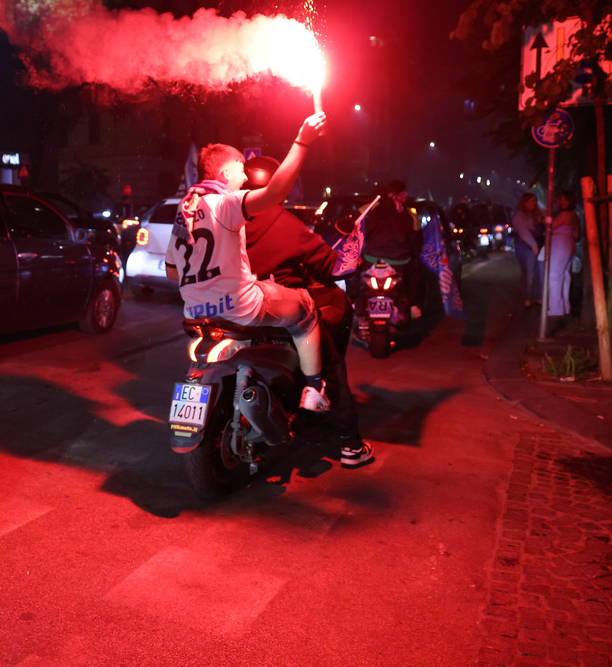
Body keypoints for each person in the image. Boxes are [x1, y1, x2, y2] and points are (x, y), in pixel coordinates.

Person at [165, 114, 374, 467]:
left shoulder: (187, 208)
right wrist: (304, 140)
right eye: (239, 171)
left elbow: (172, 271)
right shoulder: (232, 205)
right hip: (243, 307)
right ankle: (326, 408)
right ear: (227, 175)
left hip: (196, 313)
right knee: (314, 325)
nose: (244, 177)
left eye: (249, 174)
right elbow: (326, 261)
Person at [241, 156, 371, 463]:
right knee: (330, 366)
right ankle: (349, 444)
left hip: (230, 310)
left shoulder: (227, 220)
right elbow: (328, 266)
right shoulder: (286, 224)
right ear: (279, 188)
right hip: (279, 312)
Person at [359, 179, 423, 320]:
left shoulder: (372, 210)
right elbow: (416, 243)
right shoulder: (409, 215)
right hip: (400, 262)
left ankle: (354, 305)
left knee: (356, 277)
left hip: (371, 259)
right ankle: (413, 305)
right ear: (400, 194)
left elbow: (360, 231)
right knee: (416, 271)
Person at [546, 189, 581, 319]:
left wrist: (545, 218)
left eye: (563, 199)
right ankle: (564, 306)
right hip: (568, 243)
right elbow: (576, 234)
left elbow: (551, 226)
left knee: (554, 275)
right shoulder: (574, 215)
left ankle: (556, 308)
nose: (560, 202)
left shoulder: (565, 214)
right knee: (565, 275)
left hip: (560, 244)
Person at [511, 192, 544, 307]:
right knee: (528, 272)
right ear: (524, 203)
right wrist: (533, 245)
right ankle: (527, 297)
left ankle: (538, 296)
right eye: (531, 201)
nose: (534, 203)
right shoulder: (519, 216)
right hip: (525, 246)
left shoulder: (536, 215)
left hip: (536, 244)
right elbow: (524, 233)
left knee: (538, 270)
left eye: (535, 201)